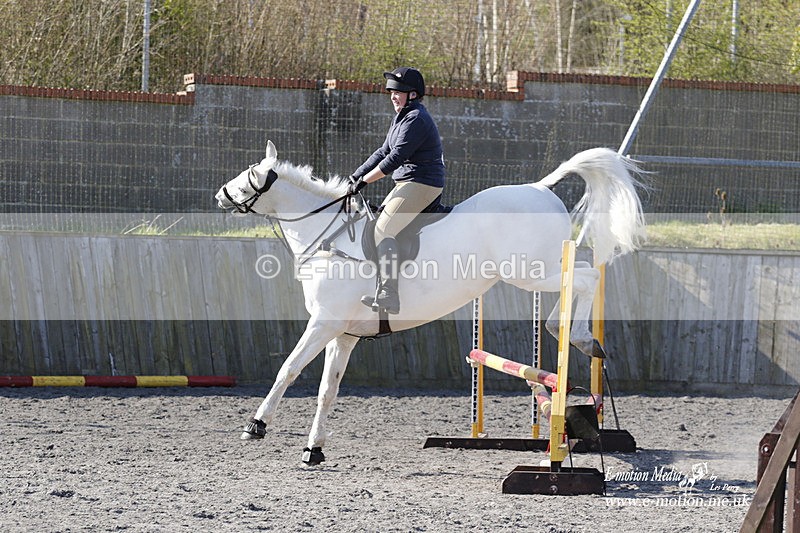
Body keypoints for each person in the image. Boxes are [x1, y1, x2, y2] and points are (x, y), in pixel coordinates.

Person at [348, 66, 445, 315]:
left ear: (412, 94)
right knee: (377, 222)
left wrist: (365, 181)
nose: (393, 96)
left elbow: (395, 159)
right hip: (408, 182)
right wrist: (356, 175)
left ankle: (389, 294)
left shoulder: (416, 119)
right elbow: (383, 151)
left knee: (384, 229)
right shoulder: (402, 116)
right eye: (391, 92)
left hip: (422, 183)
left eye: (398, 92)